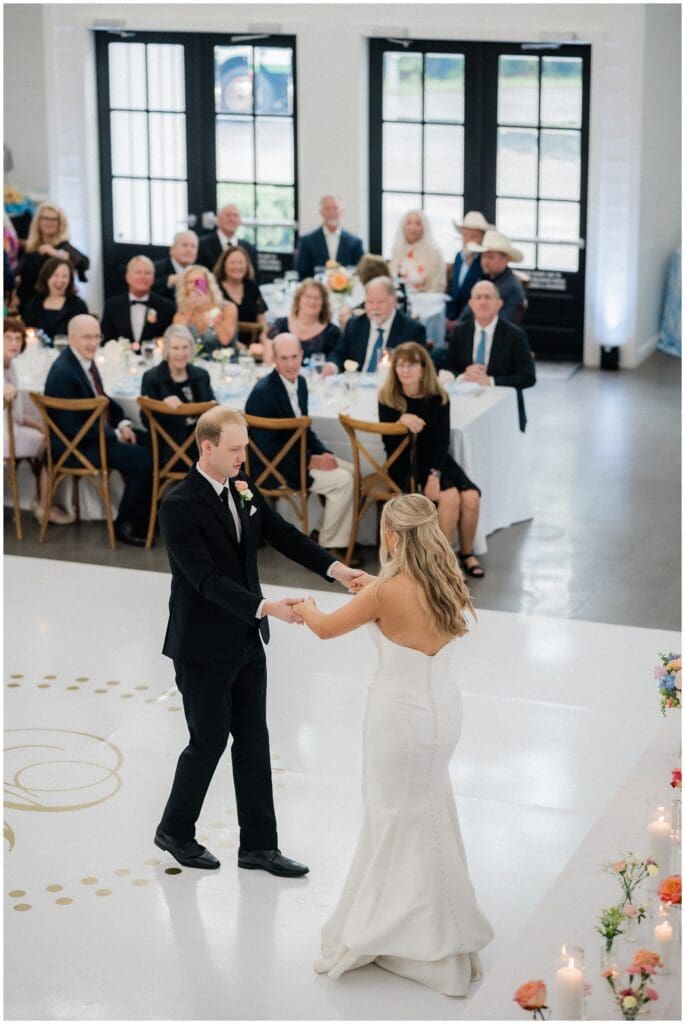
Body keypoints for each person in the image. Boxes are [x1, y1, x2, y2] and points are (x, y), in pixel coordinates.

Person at [292, 493, 494, 995]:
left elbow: (324, 629)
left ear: (392, 536)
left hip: (400, 721)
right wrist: (371, 587)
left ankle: (412, 936)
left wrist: (308, 605)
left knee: (395, 817)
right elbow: (390, 600)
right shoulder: (442, 581)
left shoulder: (386, 593)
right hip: (443, 712)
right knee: (427, 811)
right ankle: (438, 930)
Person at [154, 406, 362, 874]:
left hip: (246, 637)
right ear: (206, 447)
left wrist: (336, 569)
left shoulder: (244, 490)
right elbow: (205, 580)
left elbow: (284, 535)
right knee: (207, 741)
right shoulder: (179, 505)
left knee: (253, 740)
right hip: (202, 646)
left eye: (245, 446)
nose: (243, 456)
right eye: (234, 448)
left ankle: (259, 847)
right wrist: (265, 606)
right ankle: (174, 830)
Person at [245, 333, 360, 565]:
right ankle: (328, 549)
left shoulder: (301, 383)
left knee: (354, 472)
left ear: (302, 356)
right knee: (344, 481)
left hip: (294, 458)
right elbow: (267, 450)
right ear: (274, 359)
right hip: (273, 468)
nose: (290, 364)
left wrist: (323, 453)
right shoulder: (263, 393)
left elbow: (304, 431)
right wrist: (310, 461)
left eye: (294, 357)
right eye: (284, 358)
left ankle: (323, 532)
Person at [43, 314, 153, 546]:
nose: (93, 343)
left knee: (153, 442)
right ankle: (125, 524)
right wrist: (114, 434)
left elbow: (101, 399)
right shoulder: (64, 373)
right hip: (74, 447)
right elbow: (72, 428)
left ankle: (147, 517)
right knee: (142, 460)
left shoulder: (83, 361)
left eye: (96, 336)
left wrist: (122, 423)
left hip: (93, 436)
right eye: (86, 337)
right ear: (72, 339)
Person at [379, 342, 485, 578]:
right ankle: (441, 565)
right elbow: (389, 445)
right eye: (400, 365)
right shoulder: (389, 398)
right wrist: (400, 420)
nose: (405, 371)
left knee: (471, 496)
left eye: (411, 365)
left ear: (424, 368)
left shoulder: (438, 397)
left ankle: (466, 553)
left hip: (435, 459)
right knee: (450, 498)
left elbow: (441, 442)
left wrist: (434, 475)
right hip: (406, 463)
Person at [4, 317, 73, 524]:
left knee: (50, 435)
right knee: (55, 445)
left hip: (12, 427)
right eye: (8, 338)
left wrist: (41, 425)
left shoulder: (11, 367)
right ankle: (44, 506)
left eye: (18, 338)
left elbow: (17, 415)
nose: (14, 343)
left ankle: (41, 500)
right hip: (5, 435)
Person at [441, 280, 536, 432]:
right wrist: (463, 375)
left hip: (503, 409)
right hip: (465, 406)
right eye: (478, 298)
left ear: (499, 303)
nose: (483, 302)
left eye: (488, 297)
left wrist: (489, 381)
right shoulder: (460, 332)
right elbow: (448, 367)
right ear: (471, 304)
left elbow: (528, 377)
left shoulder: (515, 335)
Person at [140, 324, 216, 466]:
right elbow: (146, 421)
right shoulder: (152, 378)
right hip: (170, 449)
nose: (181, 354)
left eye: (185, 347)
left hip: (201, 445)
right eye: (175, 348)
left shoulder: (201, 375)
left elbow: (213, 410)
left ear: (192, 349)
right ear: (166, 350)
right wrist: (163, 407)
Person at [327, 276, 426, 375]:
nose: (375, 308)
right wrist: (332, 366)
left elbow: (417, 368)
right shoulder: (355, 325)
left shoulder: (412, 330)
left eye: (380, 302)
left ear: (393, 301)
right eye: (370, 302)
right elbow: (338, 353)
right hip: (358, 385)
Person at [15, 202, 90, 315]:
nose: (49, 222)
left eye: (54, 219)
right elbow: (18, 273)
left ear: (60, 223)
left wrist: (54, 253)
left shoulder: (63, 246)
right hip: (28, 301)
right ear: (38, 221)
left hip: (51, 304)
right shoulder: (31, 247)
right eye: (45, 218)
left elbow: (84, 263)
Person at [100, 256, 174, 348]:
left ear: (153, 278)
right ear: (127, 277)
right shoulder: (111, 306)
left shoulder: (167, 307)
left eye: (147, 273)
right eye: (138, 272)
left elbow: (169, 340)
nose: (143, 277)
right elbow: (105, 341)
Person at [460, 229, 526, 325]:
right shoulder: (484, 279)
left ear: (505, 260)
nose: (485, 262)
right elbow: (467, 311)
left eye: (490, 257)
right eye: (483, 257)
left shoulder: (510, 287)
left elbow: (502, 324)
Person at [267, 278, 340, 364]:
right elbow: (269, 358)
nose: (312, 301)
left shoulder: (332, 332)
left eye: (317, 298)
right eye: (308, 296)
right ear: (298, 299)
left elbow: (336, 360)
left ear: (323, 303)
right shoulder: (280, 325)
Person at [172, 264, 237, 358]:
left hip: (224, 363)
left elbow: (225, 340)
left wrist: (210, 309)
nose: (195, 286)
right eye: (190, 282)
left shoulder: (228, 308)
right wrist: (189, 310)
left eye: (199, 281)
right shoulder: (180, 314)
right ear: (185, 287)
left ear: (209, 284)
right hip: (192, 364)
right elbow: (176, 341)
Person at [213, 245, 269, 354]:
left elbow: (262, 320)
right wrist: (237, 346)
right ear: (224, 265)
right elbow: (212, 324)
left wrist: (264, 340)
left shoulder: (252, 287)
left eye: (240, 263)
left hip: (253, 347)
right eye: (232, 263)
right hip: (225, 347)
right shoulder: (215, 290)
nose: (237, 267)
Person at [295, 195, 364, 280]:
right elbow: (302, 272)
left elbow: (359, 273)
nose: (332, 212)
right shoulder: (307, 241)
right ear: (321, 212)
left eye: (335, 208)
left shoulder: (355, 243)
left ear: (342, 211)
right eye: (327, 208)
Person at [22, 257, 89, 341]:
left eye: (65, 276)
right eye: (55, 275)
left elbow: (86, 334)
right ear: (46, 278)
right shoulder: (33, 305)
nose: (60, 280)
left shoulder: (78, 305)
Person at [445, 211, 490, 322]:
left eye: (474, 236)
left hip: (473, 319)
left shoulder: (485, 262)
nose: (469, 239)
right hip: (452, 317)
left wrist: (459, 322)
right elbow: (454, 292)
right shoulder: (458, 257)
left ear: (482, 238)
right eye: (465, 235)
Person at [197, 204, 259, 280]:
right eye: (228, 215)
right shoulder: (202, 245)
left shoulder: (249, 248)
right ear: (218, 220)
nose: (232, 219)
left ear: (239, 221)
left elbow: (254, 278)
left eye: (235, 216)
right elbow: (198, 276)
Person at [390, 209, 445, 293]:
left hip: (425, 300)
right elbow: (391, 279)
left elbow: (437, 286)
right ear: (403, 227)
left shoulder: (433, 253)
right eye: (409, 223)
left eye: (418, 224)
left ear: (424, 228)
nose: (413, 227)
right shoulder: (398, 250)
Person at [152, 230, 200, 304]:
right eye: (185, 245)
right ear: (172, 250)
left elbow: (206, 297)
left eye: (193, 246)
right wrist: (169, 282)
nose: (189, 250)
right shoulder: (155, 268)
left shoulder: (201, 272)